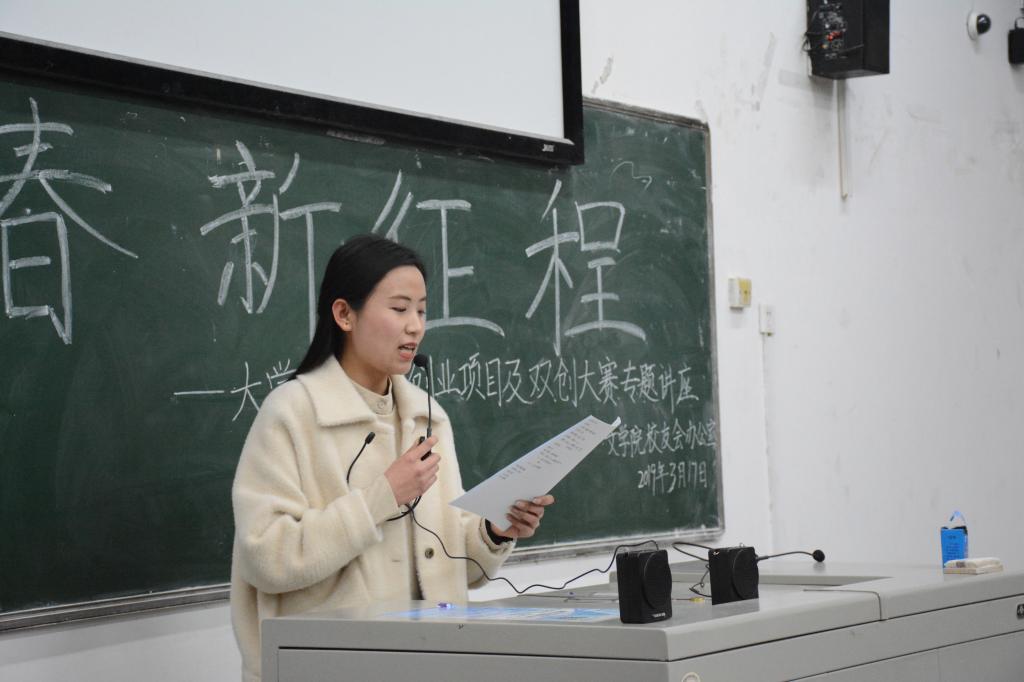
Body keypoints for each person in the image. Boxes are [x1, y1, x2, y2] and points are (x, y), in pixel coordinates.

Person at [229, 234, 555, 682]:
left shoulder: (428, 416)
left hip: (432, 661)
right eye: (400, 309)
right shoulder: (292, 413)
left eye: (421, 311)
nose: (415, 326)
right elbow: (265, 557)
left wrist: (495, 530)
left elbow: (451, 561)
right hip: (328, 666)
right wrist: (380, 498)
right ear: (344, 314)